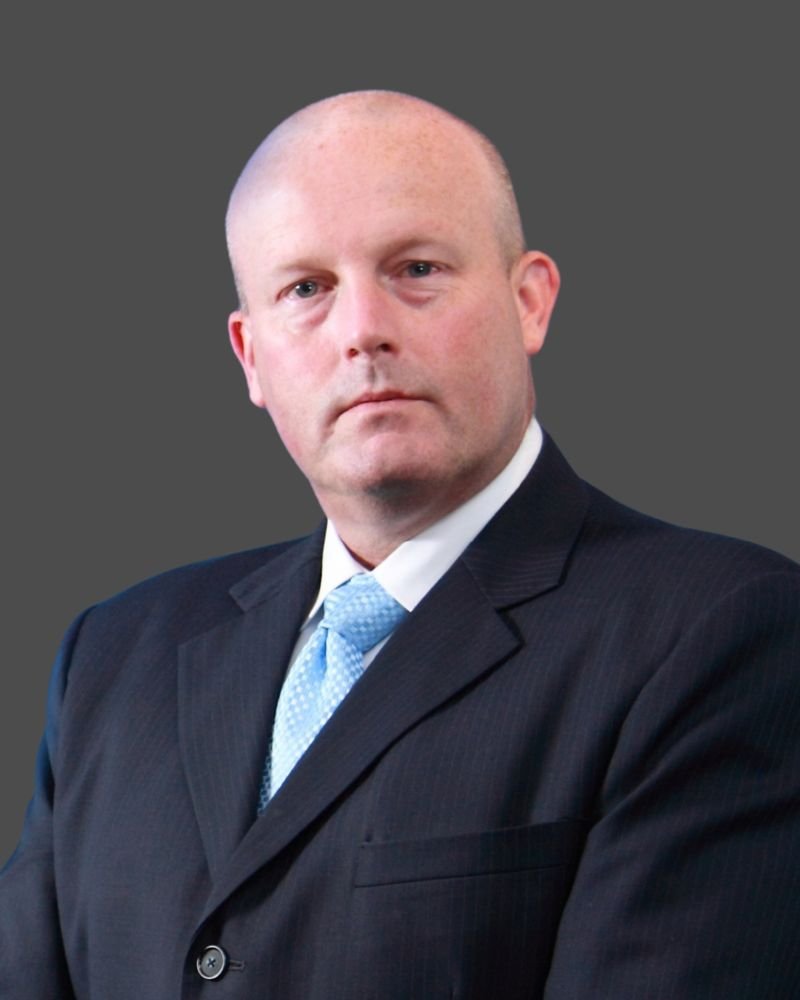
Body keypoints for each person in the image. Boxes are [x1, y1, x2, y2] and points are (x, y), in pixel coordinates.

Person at [1, 90, 798, 999]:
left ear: (530, 301)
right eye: (306, 289)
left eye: (416, 268)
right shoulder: (114, 656)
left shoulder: (720, 635)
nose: (361, 329)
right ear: (250, 357)